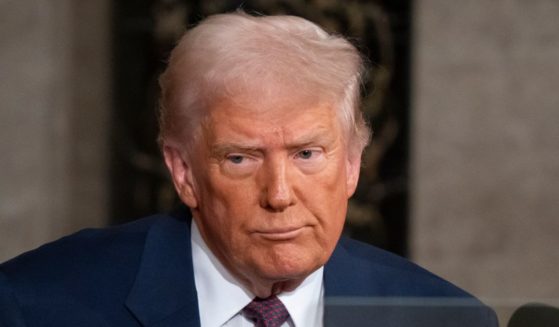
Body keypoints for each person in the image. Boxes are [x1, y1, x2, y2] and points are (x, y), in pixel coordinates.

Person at [0, 11, 497, 327]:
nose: (279, 194)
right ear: (184, 173)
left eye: (307, 154)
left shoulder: (444, 318)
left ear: (351, 165)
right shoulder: (35, 306)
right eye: (241, 158)